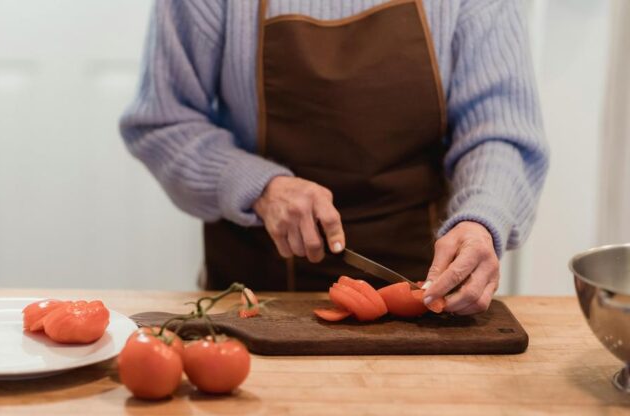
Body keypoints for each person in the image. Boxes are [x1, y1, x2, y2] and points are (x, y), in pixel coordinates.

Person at [120, 0, 548, 315]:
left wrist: (481, 218)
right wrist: (261, 187)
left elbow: (499, 132)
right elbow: (164, 121)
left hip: (428, 301)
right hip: (252, 300)